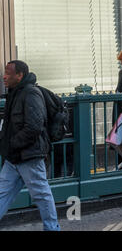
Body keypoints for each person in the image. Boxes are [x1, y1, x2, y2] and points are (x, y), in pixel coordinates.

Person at [0, 60, 60, 231]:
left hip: (29, 157)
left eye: (8, 73)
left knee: (41, 195)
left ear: (20, 75)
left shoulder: (31, 94)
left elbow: (34, 127)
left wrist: (12, 143)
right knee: (2, 193)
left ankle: (52, 228)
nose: (4, 76)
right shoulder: (15, 93)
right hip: (14, 157)